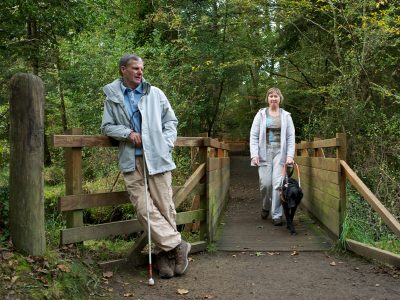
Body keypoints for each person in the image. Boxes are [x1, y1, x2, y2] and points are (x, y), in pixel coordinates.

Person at [101, 54, 191, 279]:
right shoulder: (112, 97)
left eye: (142, 68)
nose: (140, 72)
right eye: (135, 68)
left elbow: (171, 122)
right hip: (132, 161)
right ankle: (177, 245)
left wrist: (166, 144)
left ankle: (164, 256)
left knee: (165, 207)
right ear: (123, 69)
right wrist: (127, 133)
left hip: (158, 158)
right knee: (143, 209)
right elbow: (107, 127)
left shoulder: (155, 93)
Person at [249, 87, 295, 226]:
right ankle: (265, 206)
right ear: (267, 99)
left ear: (280, 98)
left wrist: (290, 156)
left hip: (280, 154)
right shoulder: (261, 114)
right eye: (271, 96)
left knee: (278, 184)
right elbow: (254, 135)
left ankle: (276, 214)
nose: (273, 98)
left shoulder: (286, 116)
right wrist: (254, 154)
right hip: (264, 152)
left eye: (276, 96)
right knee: (265, 184)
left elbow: (291, 137)